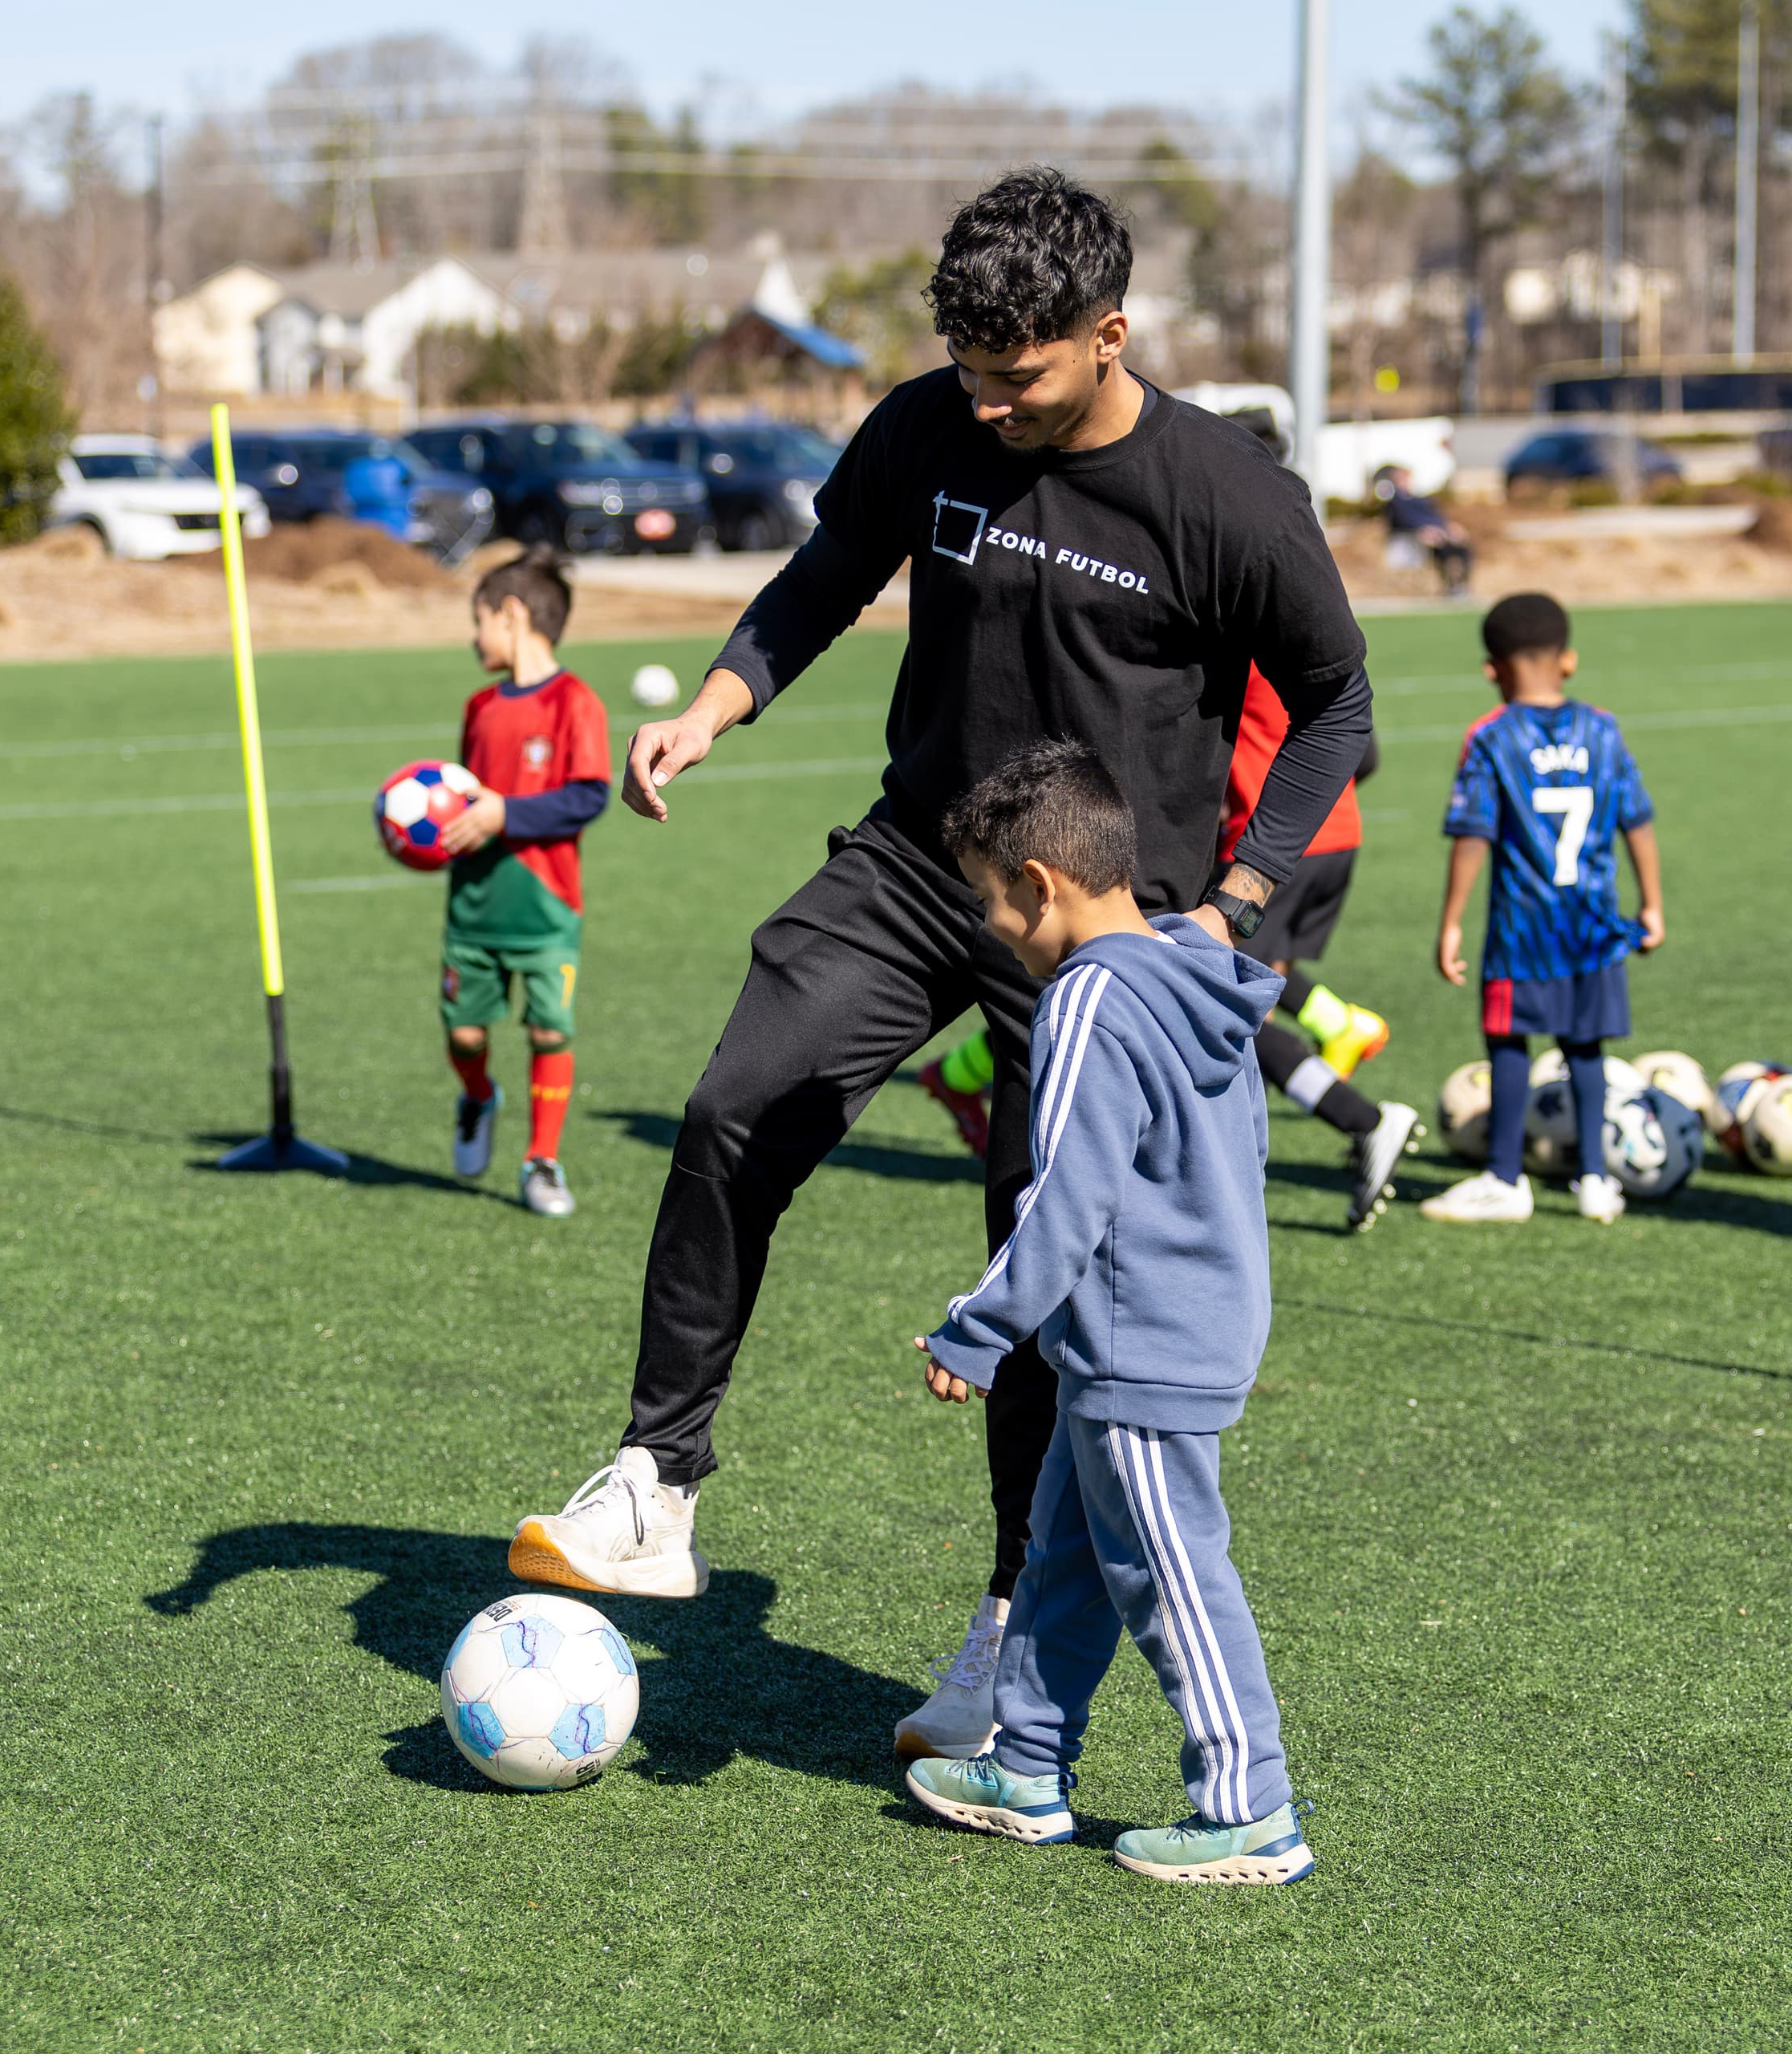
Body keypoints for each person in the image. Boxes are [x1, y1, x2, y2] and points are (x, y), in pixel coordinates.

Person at [504, 170, 1372, 1768]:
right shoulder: (930, 423)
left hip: (1107, 925)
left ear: (1112, 332)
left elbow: (1337, 710)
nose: (987, 398)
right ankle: (654, 1482)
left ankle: (998, 1636)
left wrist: (1239, 903)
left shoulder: (1228, 494)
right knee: (735, 1104)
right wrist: (717, 702)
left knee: (1045, 1273)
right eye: (967, 367)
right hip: (919, 856)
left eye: (1018, 375)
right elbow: (828, 572)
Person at [902, 741, 1313, 1887]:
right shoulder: (1193, 971)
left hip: (1147, 1341)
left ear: (1040, 882)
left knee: (1175, 1576)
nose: (991, 928)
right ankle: (1027, 1767)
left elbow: (1065, 1199)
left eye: (992, 901)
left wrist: (977, 1329)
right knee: (1064, 1562)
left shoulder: (1089, 998)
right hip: (1161, 1328)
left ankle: (1250, 1807)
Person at [914, 664, 1420, 1230]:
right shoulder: (1304, 648)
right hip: (1328, 832)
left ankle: (1363, 1119)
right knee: (1224, 982)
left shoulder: (1236, 651)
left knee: (1208, 1001)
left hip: (1259, 848)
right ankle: (1340, 1030)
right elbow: (1362, 752)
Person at [1423, 591, 1664, 1224]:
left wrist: (1450, 922)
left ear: (1492, 669)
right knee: (1585, 1048)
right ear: (1569, 661)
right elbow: (1636, 820)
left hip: (1522, 930)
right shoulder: (1602, 728)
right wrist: (1654, 904)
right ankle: (1593, 1178)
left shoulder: (1491, 737)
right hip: (1593, 926)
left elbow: (1473, 835)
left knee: (1508, 1040)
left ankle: (1505, 1177)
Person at [436, 546, 612, 1216]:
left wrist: (503, 813)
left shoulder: (576, 702)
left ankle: (542, 1160)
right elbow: (458, 799)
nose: (472, 636)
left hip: (546, 911)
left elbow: (589, 796)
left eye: (476, 619)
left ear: (510, 615)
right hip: (473, 906)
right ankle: (479, 1095)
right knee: (465, 1037)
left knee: (548, 1032)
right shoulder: (479, 707)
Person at [1376, 464, 1474, 596]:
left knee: (1463, 549)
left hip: (1439, 536)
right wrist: (1423, 531)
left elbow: (1436, 517)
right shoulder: (1396, 501)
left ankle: (1459, 586)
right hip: (1417, 539)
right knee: (1441, 549)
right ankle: (1449, 586)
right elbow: (1404, 521)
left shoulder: (1419, 499)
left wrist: (1449, 528)